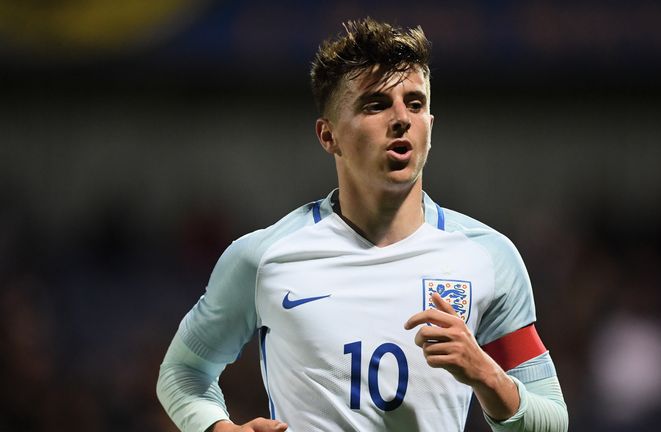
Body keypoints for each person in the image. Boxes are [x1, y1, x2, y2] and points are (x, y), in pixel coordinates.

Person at [157, 17, 568, 432]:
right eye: (375, 105)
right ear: (328, 135)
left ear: (430, 125)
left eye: (415, 103)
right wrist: (219, 428)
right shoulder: (262, 257)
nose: (401, 119)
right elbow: (184, 373)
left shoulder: (489, 258)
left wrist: (486, 373)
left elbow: (552, 420)